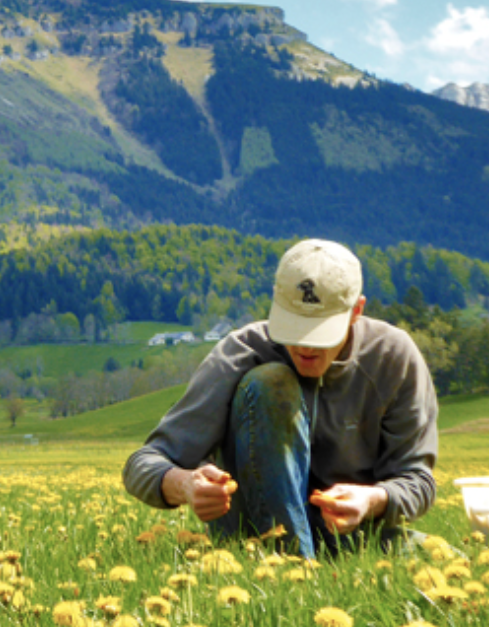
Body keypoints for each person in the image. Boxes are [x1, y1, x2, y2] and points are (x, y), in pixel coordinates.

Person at [122, 238, 437, 557]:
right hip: (253, 541)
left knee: (449, 562)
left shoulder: (393, 357)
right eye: (295, 326)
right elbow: (142, 464)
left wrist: (373, 500)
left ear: (356, 311)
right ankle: (291, 564)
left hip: (355, 535)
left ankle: (320, 561)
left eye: (320, 331)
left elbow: (418, 481)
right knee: (271, 382)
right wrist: (185, 484)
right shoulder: (240, 352)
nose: (305, 346)